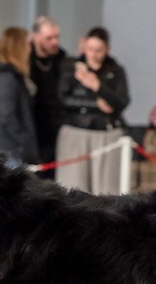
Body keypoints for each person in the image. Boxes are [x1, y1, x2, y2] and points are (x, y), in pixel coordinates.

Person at [55, 26, 130, 194]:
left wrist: (97, 86)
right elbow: (63, 98)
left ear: (107, 49)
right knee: (74, 189)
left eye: (99, 50)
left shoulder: (116, 71)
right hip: (76, 132)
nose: (94, 55)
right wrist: (96, 103)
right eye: (90, 49)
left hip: (107, 134)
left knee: (106, 191)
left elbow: (120, 102)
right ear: (83, 47)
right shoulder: (72, 68)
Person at [0, 26, 39, 168]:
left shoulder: (0, 74)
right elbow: (6, 114)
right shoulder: (6, 78)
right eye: (28, 45)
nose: (30, 49)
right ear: (18, 47)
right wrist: (24, 140)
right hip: (5, 150)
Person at [28, 16, 67, 178]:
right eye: (49, 38)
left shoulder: (62, 59)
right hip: (33, 126)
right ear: (36, 37)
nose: (54, 42)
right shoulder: (25, 58)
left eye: (56, 37)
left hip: (55, 127)